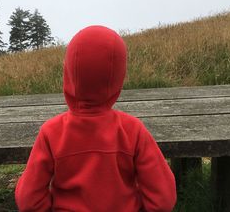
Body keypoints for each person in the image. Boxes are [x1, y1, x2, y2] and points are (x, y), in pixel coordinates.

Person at [15, 25, 177, 212]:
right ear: (118, 78)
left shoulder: (51, 132)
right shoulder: (133, 130)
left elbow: (28, 200)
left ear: (68, 74)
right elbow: (164, 198)